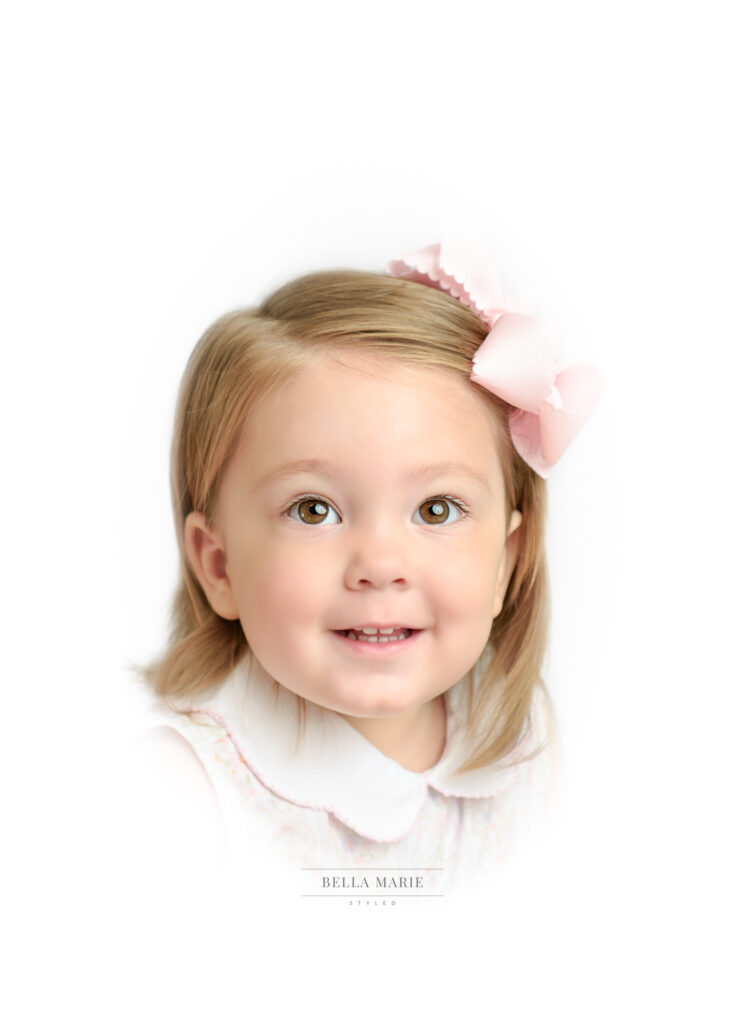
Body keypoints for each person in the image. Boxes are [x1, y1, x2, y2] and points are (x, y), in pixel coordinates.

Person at [132, 232, 602, 896]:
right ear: (219, 566)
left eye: (436, 510)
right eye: (313, 510)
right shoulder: (177, 792)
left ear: (506, 560)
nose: (380, 566)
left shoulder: (520, 744)